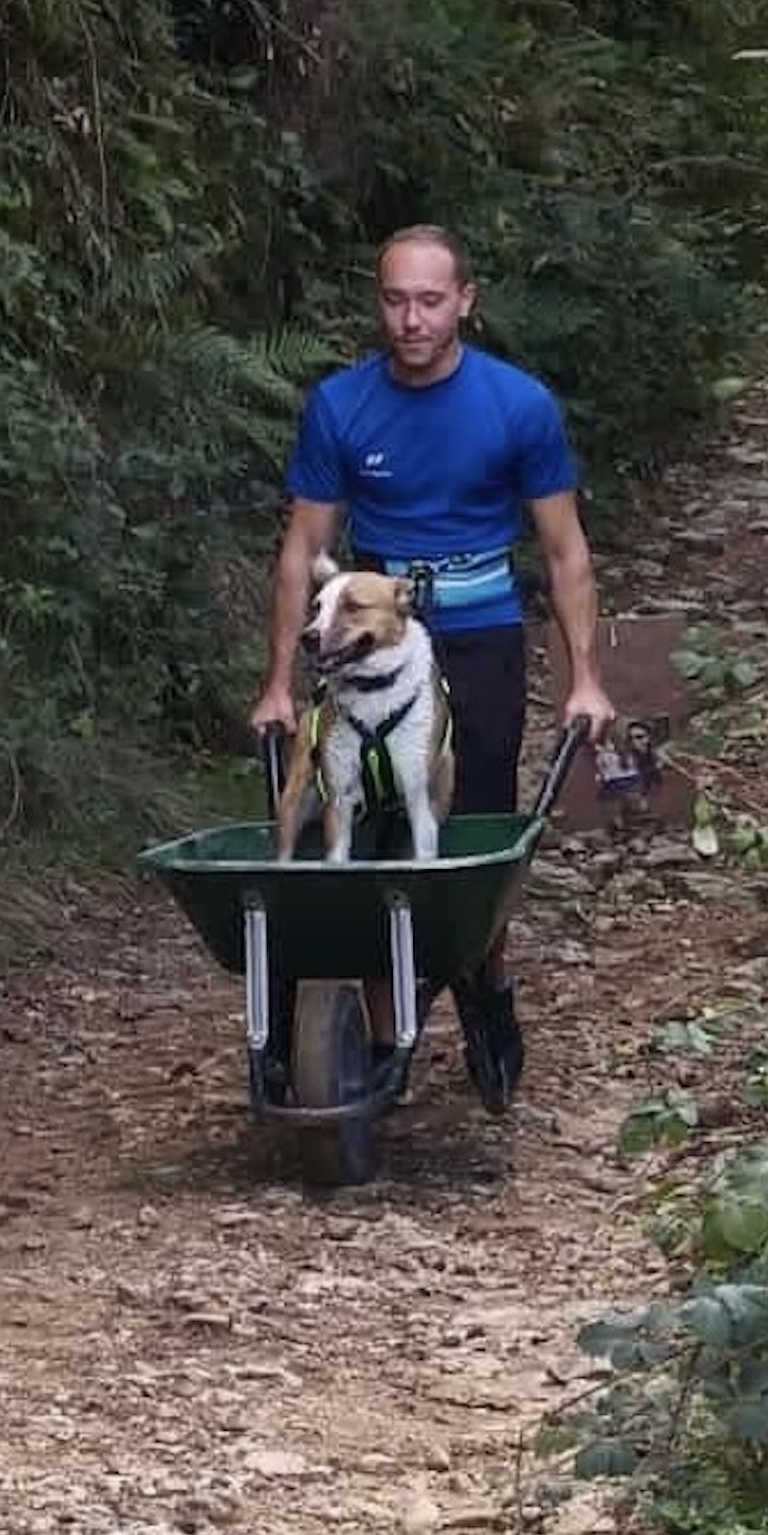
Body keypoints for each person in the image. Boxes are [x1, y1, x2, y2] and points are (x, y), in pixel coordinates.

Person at [248, 224, 614, 1111]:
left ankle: (487, 982)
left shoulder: (516, 405)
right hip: (369, 640)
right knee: (370, 832)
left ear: (465, 302)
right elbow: (301, 552)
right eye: (394, 300)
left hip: (480, 634)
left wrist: (585, 676)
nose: (410, 319)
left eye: (429, 301)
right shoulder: (343, 405)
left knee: (472, 833)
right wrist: (280, 683)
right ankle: (384, 1039)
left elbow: (565, 552)